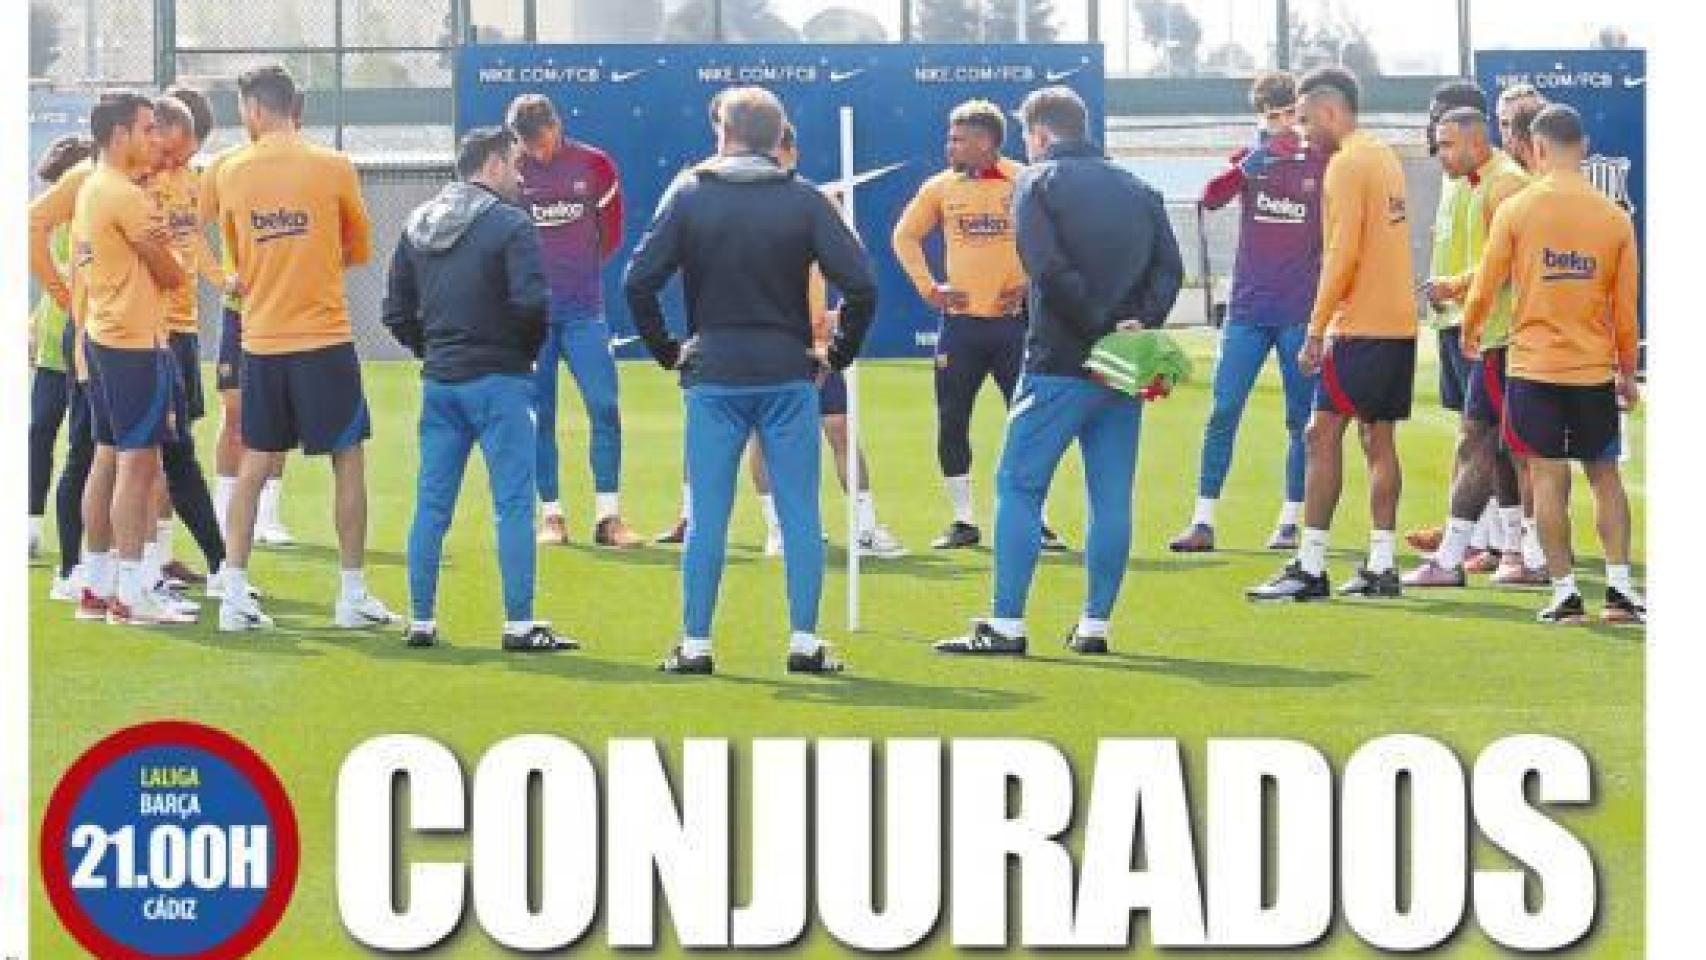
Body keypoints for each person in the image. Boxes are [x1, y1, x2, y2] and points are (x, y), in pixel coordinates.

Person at [624, 86, 877, 675]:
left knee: (708, 514)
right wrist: (837, 354)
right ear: (778, 137)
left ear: (724, 133)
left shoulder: (689, 193)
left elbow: (638, 281)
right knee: (800, 512)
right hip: (787, 372)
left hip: (714, 375)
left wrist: (668, 352)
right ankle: (805, 641)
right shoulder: (805, 199)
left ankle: (695, 644)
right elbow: (862, 285)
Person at [936, 85, 1184, 656]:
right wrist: (1134, 327)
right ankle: (1095, 625)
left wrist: (1101, 326)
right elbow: (1169, 270)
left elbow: (1045, 267)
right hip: (1122, 366)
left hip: (1059, 362)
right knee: (1111, 497)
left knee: (1017, 485)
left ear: (1041, 134)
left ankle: (1007, 624)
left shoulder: (1036, 182)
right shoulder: (1139, 187)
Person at [208, 64, 400, 632]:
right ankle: (351, 594)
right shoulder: (333, 165)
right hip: (324, 338)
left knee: (255, 461)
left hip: (262, 340)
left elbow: (235, 253)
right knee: (347, 458)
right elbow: (359, 246)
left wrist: (246, 276)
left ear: (254, 109)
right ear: (293, 106)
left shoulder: (229, 170)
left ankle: (234, 594)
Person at [383, 126, 575, 652]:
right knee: (513, 503)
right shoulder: (511, 224)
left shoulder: (417, 223)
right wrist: (521, 354)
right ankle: (519, 624)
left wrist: (432, 349)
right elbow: (533, 304)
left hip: (441, 382)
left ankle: (421, 620)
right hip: (500, 380)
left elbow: (395, 313)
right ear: (491, 164)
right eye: (514, 163)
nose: (520, 174)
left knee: (431, 504)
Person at [1460, 104, 1644, 625]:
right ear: (1582, 147)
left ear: (1536, 148)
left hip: (1533, 369)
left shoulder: (1517, 209)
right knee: (1605, 476)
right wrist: (1626, 371)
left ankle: (1565, 593)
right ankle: (1620, 590)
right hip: (1592, 370)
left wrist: (1471, 331)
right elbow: (1625, 309)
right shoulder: (1613, 217)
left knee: (1546, 478)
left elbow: (1486, 284)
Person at [1248, 66, 1419, 601]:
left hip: (1359, 325)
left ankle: (1310, 565)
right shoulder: (1384, 156)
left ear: (1329, 111)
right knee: (1379, 440)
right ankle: (1382, 564)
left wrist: (1316, 328)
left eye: (1304, 120)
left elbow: (1341, 253)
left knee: (1319, 436)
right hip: (1397, 322)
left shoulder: (1345, 165)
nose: (1301, 133)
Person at [892, 100, 1067, 552]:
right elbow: (904, 236)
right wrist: (928, 287)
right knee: (952, 420)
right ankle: (963, 520)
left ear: (986, 142)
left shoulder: (1025, 180)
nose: (949, 146)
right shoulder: (940, 187)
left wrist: (1029, 284)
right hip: (961, 328)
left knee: (1030, 425)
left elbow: (1058, 241)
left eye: (958, 139)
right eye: (949, 138)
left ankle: (1037, 520)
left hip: (1016, 327)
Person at [1169, 71, 1324, 553]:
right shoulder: (1249, 160)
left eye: (1290, 114)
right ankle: (1202, 520)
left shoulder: (1323, 162)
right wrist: (1246, 168)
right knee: (1223, 409)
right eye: (1273, 116)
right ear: (1260, 118)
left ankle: (1290, 520)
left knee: (1300, 420)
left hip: (1300, 312)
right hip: (1247, 311)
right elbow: (1209, 198)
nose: (1283, 125)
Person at [741, 123, 905, 560]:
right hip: (762, 340)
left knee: (839, 427)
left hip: (814, 342)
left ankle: (865, 528)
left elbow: (853, 267)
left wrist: (839, 314)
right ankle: (778, 529)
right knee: (765, 433)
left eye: (779, 152)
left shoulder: (817, 201)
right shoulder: (734, 203)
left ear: (792, 153)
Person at [72, 91, 195, 625]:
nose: (156, 138)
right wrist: (168, 251)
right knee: (138, 463)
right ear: (120, 134)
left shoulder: (93, 185)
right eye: (148, 129)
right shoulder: (126, 195)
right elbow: (173, 274)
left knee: (107, 456)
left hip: (104, 335)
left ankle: (96, 585)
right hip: (133, 344)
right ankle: (129, 592)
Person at [1402, 106, 1534, 588]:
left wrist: (1457, 290)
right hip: (1482, 329)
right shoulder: (1465, 182)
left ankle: (1472, 554)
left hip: (1505, 335)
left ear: (1478, 143)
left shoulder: (1506, 185)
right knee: (1495, 445)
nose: (1439, 153)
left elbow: (1508, 262)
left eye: (1447, 144)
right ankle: (1510, 551)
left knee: (1491, 442)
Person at [505, 94, 641, 548]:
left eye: (542, 141)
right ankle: (552, 517)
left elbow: (612, 234)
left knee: (604, 406)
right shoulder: (510, 172)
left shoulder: (595, 165)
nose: (537, 152)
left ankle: (609, 518)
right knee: (538, 415)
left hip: (584, 312)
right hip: (531, 319)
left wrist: (578, 272)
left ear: (556, 125)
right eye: (528, 145)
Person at [1406, 80, 1503, 565]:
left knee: (1483, 433)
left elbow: (1499, 256)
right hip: (1451, 318)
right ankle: (1471, 531)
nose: (1432, 129)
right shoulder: (1454, 176)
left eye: (1441, 118)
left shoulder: (1495, 180)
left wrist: (1459, 289)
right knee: (1471, 431)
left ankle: (1492, 540)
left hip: (1478, 319)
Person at [142, 93, 230, 591]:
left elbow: (194, 241)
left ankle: (157, 557)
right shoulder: (131, 186)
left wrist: (222, 280)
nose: (183, 154)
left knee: (168, 448)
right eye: (177, 145)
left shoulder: (190, 182)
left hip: (183, 330)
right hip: (146, 334)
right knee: (153, 451)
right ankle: (113, 565)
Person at [203, 92, 298, 550]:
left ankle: (268, 516)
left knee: (279, 414)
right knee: (236, 412)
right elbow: (189, 228)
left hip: (286, 312)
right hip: (241, 312)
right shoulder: (226, 166)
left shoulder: (306, 167)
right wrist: (220, 277)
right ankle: (224, 512)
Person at [29, 132, 98, 603]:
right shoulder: (49, 225)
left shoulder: (89, 220)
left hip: (81, 349)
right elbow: (44, 283)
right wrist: (37, 319)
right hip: (52, 350)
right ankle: (30, 523)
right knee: (40, 432)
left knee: (81, 446)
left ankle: (84, 546)